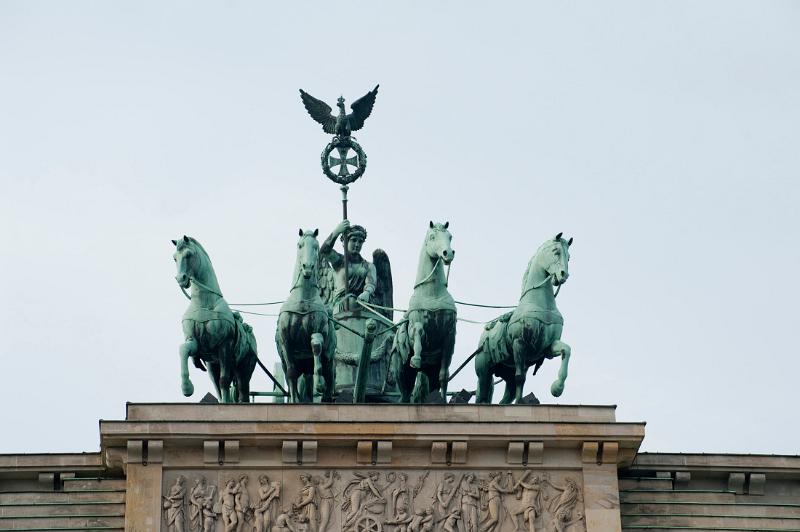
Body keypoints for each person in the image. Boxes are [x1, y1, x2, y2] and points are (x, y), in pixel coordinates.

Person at [320, 220, 377, 313]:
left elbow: (370, 284)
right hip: (340, 308)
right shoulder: (339, 261)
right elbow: (324, 251)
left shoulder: (369, 266)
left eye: (360, 241)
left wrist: (367, 293)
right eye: (353, 240)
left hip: (362, 307)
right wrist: (337, 231)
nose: (357, 244)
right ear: (345, 241)